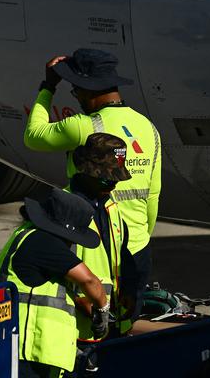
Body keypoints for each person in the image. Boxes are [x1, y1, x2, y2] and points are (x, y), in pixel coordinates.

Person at [24, 48, 161, 319]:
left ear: (88, 91)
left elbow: (33, 135)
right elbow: (153, 198)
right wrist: (139, 239)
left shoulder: (84, 126)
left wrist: (48, 87)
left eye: (76, 92)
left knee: (89, 324)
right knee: (125, 325)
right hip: (136, 247)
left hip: (93, 245)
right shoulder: (148, 127)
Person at [0, 188, 110, 378]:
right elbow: (90, 281)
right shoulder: (43, 242)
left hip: (15, 345)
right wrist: (103, 310)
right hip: (30, 351)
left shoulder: (27, 235)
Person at [66, 132, 137, 342]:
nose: (113, 185)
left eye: (117, 179)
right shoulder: (66, 209)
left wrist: (129, 289)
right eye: (107, 180)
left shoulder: (110, 207)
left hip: (106, 315)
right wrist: (87, 301)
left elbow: (121, 252)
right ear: (87, 172)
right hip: (79, 322)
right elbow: (60, 262)